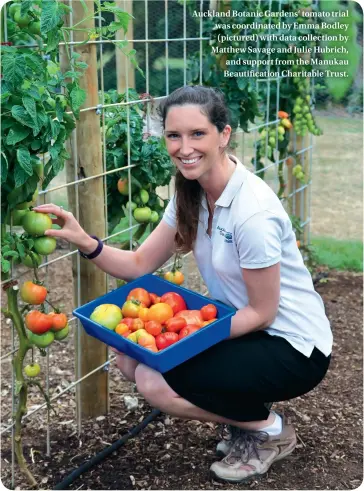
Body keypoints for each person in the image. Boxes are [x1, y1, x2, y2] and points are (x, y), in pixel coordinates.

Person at [34, 85, 332, 484]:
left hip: (293, 347)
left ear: (223, 135)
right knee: (129, 358)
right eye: (174, 135)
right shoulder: (191, 193)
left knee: (154, 381)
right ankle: (244, 413)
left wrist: (186, 339)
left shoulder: (252, 213)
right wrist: (85, 241)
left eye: (197, 134)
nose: (184, 147)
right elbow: (139, 264)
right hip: (247, 329)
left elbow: (263, 312)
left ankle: (267, 429)